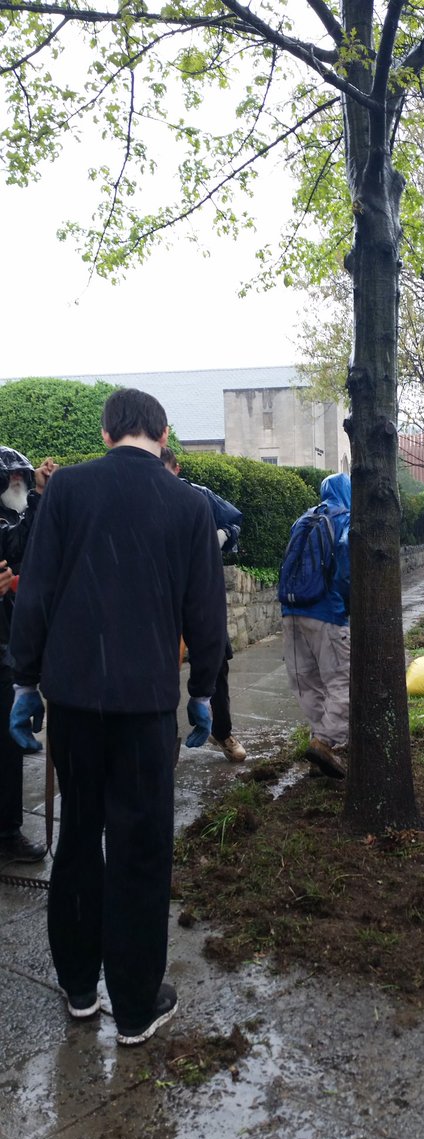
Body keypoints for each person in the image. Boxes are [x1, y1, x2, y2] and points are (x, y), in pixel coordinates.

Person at [9, 388, 227, 1045]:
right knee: (139, 848)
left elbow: (38, 588)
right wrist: (204, 690)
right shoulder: (189, 505)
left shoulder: (68, 491)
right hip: (145, 706)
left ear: (107, 434)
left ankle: (78, 987)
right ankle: (134, 1004)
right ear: (162, 434)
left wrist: (25, 680)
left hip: (74, 698)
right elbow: (206, 614)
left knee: (77, 835)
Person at [160, 446, 246, 763]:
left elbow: (235, 519)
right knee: (163, 668)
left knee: (215, 664)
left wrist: (221, 535)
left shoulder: (200, 497)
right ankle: (164, 742)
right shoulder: (142, 501)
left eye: (165, 471)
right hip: (163, 600)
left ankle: (221, 732)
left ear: (177, 469)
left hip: (199, 596)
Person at [0, 448, 58, 863]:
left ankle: (6, 831)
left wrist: (38, 492)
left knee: (6, 749)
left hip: (6, 645)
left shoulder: (15, 517)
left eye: (21, 475)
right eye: (12, 478)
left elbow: (32, 543)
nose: (16, 482)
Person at [280, 472, 351, 779]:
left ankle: (319, 739)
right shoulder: (344, 520)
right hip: (326, 611)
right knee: (341, 682)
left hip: (291, 611)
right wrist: (346, 607)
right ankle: (325, 742)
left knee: (306, 682)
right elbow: (346, 571)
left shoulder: (302, 520)